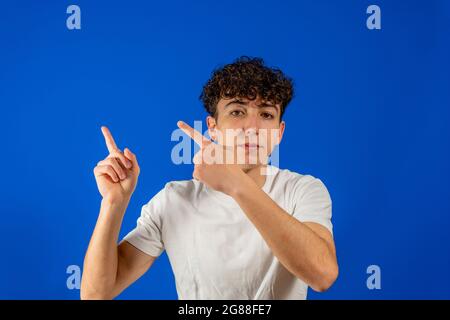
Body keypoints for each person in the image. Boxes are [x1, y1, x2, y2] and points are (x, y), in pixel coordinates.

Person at [80, 56, 338, 300]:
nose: (252, 128)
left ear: (279, 132)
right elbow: (96, 294)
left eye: (266, 114)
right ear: (213, 127)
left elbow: (322, 275)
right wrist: (113, 203)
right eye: (237, 112)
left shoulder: (303, 190)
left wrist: (236, 183)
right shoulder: (175, 199)